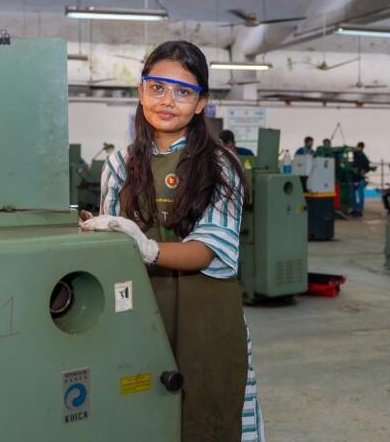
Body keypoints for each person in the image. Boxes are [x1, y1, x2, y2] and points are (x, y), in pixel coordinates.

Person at [80, 40, 265, 442]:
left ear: (201, 104)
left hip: (206, 315)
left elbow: (210, 249)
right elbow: (112, 242)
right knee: (138, 414)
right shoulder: (119, 164)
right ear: (141, 91)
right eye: (157, 87)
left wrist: (147, 248)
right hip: (137, 310)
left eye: (183, 91)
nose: (168, 100)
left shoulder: (220, 166)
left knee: (206, 417)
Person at [351, 142, 374, 217]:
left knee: (360, 194)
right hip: (354, 178)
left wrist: (363, 171)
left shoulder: (363, 156)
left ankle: (359, 210)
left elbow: (367, 167)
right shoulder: (356, 154)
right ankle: (355, 208)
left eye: (359, 147)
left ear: (361, 147)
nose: (358, 148)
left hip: (360, 178)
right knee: (353, 194)